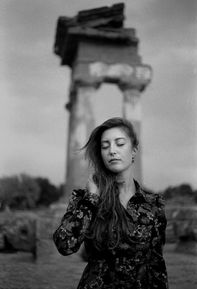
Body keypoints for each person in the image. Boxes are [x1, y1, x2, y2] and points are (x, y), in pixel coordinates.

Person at [53, 117, 168, 289]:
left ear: (134, 150)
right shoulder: (84, 198)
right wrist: (91, 199)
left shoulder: (153, 204)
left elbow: (156, 264)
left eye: (120, 144)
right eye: (105, 146)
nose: (112, 151)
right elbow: (65, 245)